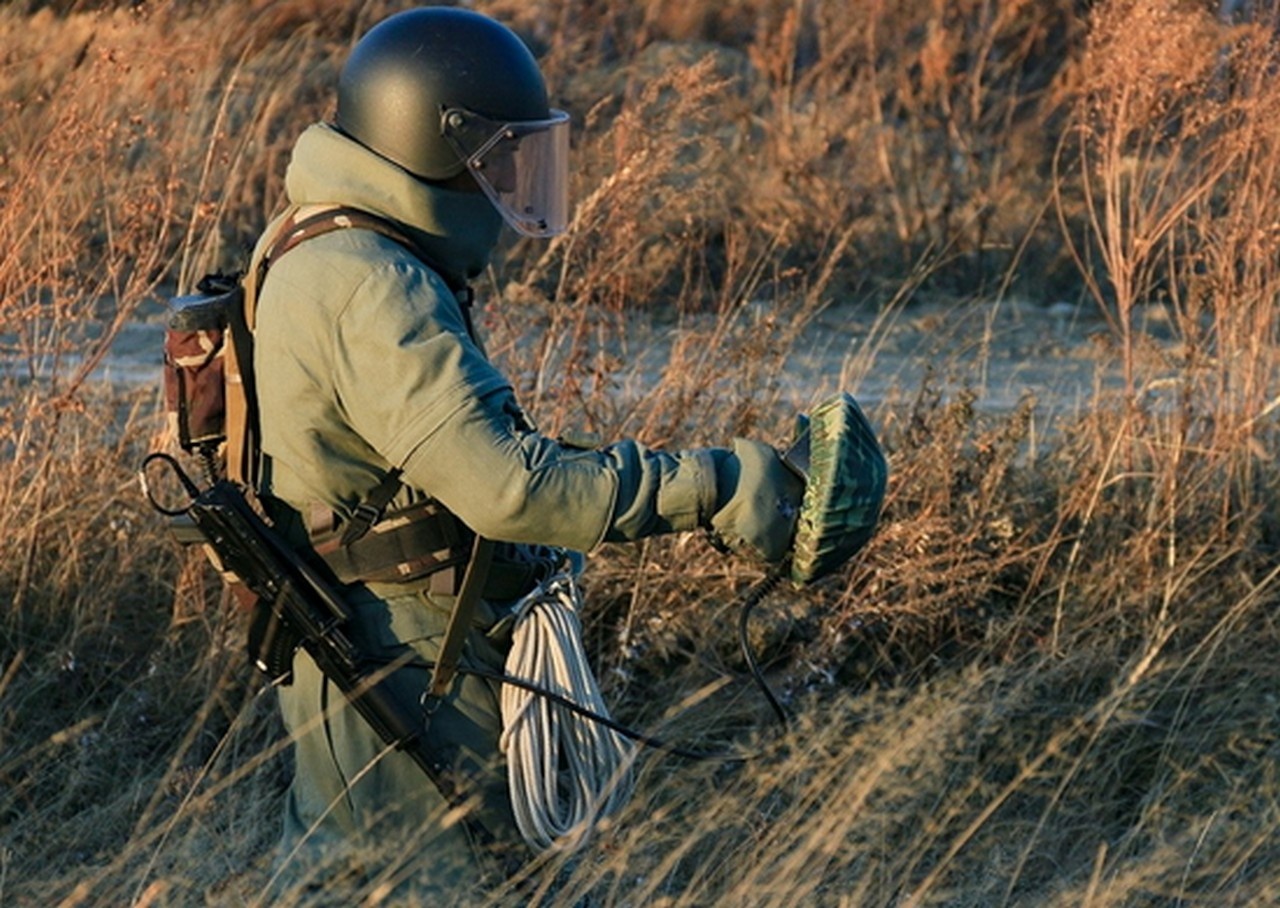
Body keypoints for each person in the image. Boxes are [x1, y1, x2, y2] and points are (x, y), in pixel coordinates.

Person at [250, 5, 814, 900]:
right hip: (413, 657)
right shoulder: (371, 284)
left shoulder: (313, 236)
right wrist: (719, 483)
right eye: (498, 159)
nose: (513, 186)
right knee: (456, 880)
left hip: (362, 642)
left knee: (340, 871)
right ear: (434, 146)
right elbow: (509, 490)